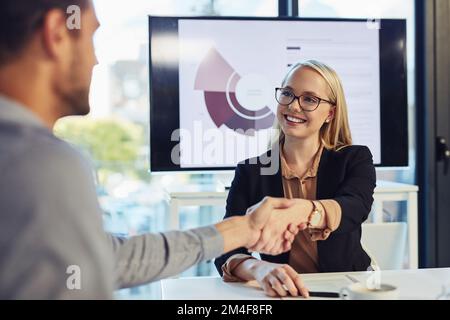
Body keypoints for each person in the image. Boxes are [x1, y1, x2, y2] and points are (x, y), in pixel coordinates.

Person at [0, 0, 300, 299]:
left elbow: (106, 258)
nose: (95, 60)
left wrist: (242, 229)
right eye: (90, 38)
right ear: (57, 34)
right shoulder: (40, 162)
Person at [214, 60, 376, 298]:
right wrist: (258, 268)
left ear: (330, 113)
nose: (294, 106)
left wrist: (305, 211)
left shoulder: (355, 158)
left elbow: (354, 207)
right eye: (288, 94)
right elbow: (225, 247)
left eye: (309, 99)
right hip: (284, 292)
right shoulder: (250, 172)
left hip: (350, 287)